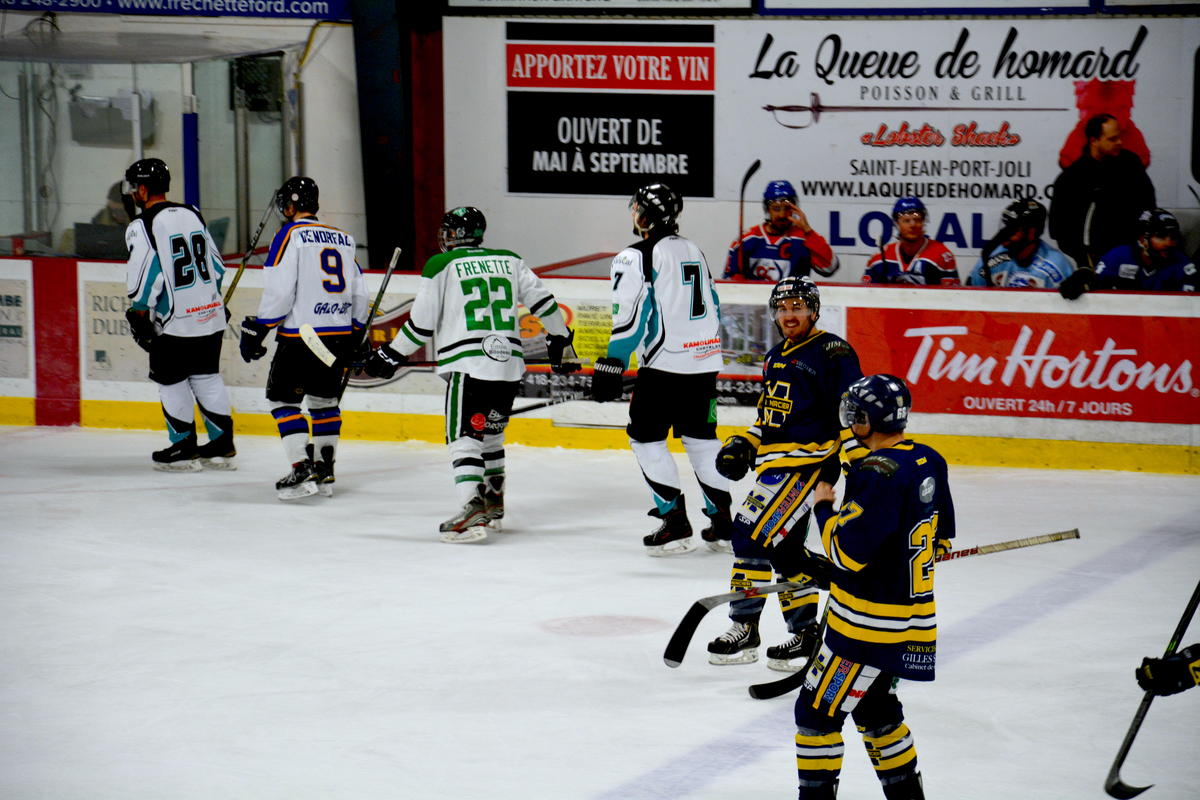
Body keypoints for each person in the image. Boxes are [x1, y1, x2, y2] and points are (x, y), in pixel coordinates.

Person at [362, 206, 576, 543]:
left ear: (452, 235)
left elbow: (421, 324)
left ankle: (471, 508)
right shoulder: (510, 259)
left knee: (463, 438)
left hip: (469, 365)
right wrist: (560, 341)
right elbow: (544, 303)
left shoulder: (441, 264)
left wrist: (390, 354)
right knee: (490, 436)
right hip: (508, 365)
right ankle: (493, 504)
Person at [792, 374, 955, 800]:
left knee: (815, 716)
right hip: (912, 621)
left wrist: (823, 507)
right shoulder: (929, 459)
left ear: (867, 420)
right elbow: (939, 540)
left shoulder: (875, 471)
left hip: (864, 629)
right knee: (875, 709)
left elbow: (847, 553)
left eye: (856, 414)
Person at [707, 276, 864, 670]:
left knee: (748, 533)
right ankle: (806, 633)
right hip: (777, 464)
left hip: (809, 464)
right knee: (785, 551)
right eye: (783, 307)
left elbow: (851, 412)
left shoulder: (834, 352)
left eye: (798, 307)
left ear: (814, 310)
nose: (790, 314)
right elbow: (770, 418)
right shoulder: (776, 355)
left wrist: (858, 464)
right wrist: (745, 442)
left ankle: (744, 625)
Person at [590, 182, 732, 557]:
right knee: (702, 441)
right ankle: (724, 524)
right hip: (704, 364)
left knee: (646, 438)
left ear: (644, 215)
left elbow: (632, 316)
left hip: (664, 365)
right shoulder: (693, 249)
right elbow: (714, 304)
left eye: (637, 208)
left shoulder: (634, 256)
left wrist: (614, 362)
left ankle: (674, 522)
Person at [238, 176, 369, 500]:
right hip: (337, 335)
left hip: (302, 337)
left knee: (283, 401)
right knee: (325, 403)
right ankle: (325, 471)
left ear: (290, 206)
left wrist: (262, 327)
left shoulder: (289, 235)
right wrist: (356, 330)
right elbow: (360, 291)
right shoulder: (344, 238)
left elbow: (281, 290)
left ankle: (301, 467)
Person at [122, 157, 236, 472]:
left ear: (143, 190)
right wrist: (212, 299)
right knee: (207, 376)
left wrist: (139, 313)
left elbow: (147, 274)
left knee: (170, 379)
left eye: (134, 187)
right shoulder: (192, 213)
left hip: (175, 321)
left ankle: (184, 448)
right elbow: (216, 266)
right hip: (210, 315)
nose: (132, 193)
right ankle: (221, 445)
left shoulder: (142, 224)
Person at [1048, 113, 1156, 270]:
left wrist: (1140, 247)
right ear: (1094, 141)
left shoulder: (1131, 164)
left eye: (1119, 137)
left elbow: (1149, 206)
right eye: (1112, 139)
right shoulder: (1071, 178)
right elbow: (1059, 228)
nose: (1119, 142)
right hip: (1092, 261)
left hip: (1132, 257)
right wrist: (1084, 257)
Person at [1060, 208, 1197, 298]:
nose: (1169, 243)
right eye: (1161, 236)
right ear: (1142, 239)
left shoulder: (1184, 266)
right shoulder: (1117, 257)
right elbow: (1096, 286)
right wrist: (1085, 278)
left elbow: (1188, 310)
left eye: (1173, 237)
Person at [724, 180, 839, 282]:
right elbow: (730, 281)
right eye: (776, 208)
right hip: (755, 299)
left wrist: (809, 231)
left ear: (794, 209)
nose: (782, 214)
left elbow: (830, 267)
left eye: (787, 208)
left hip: (793, 299)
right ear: (767, 209)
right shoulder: (747, 239)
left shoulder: (803, 239)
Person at [966, 198, 1075, 289]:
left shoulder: (1057, 265)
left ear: (1031, 233)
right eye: (1005, 228)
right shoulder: (992, 255)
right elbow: (970, 295)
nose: (1004, 235)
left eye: (1012, 230)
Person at [863, 197, 959, 286]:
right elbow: (867, 294)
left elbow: (953, 296)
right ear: (897, 223)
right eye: (906, 220)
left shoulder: (942, 256)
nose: (913, 225)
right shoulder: (879, 259)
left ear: (923, 222)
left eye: (917, 220)